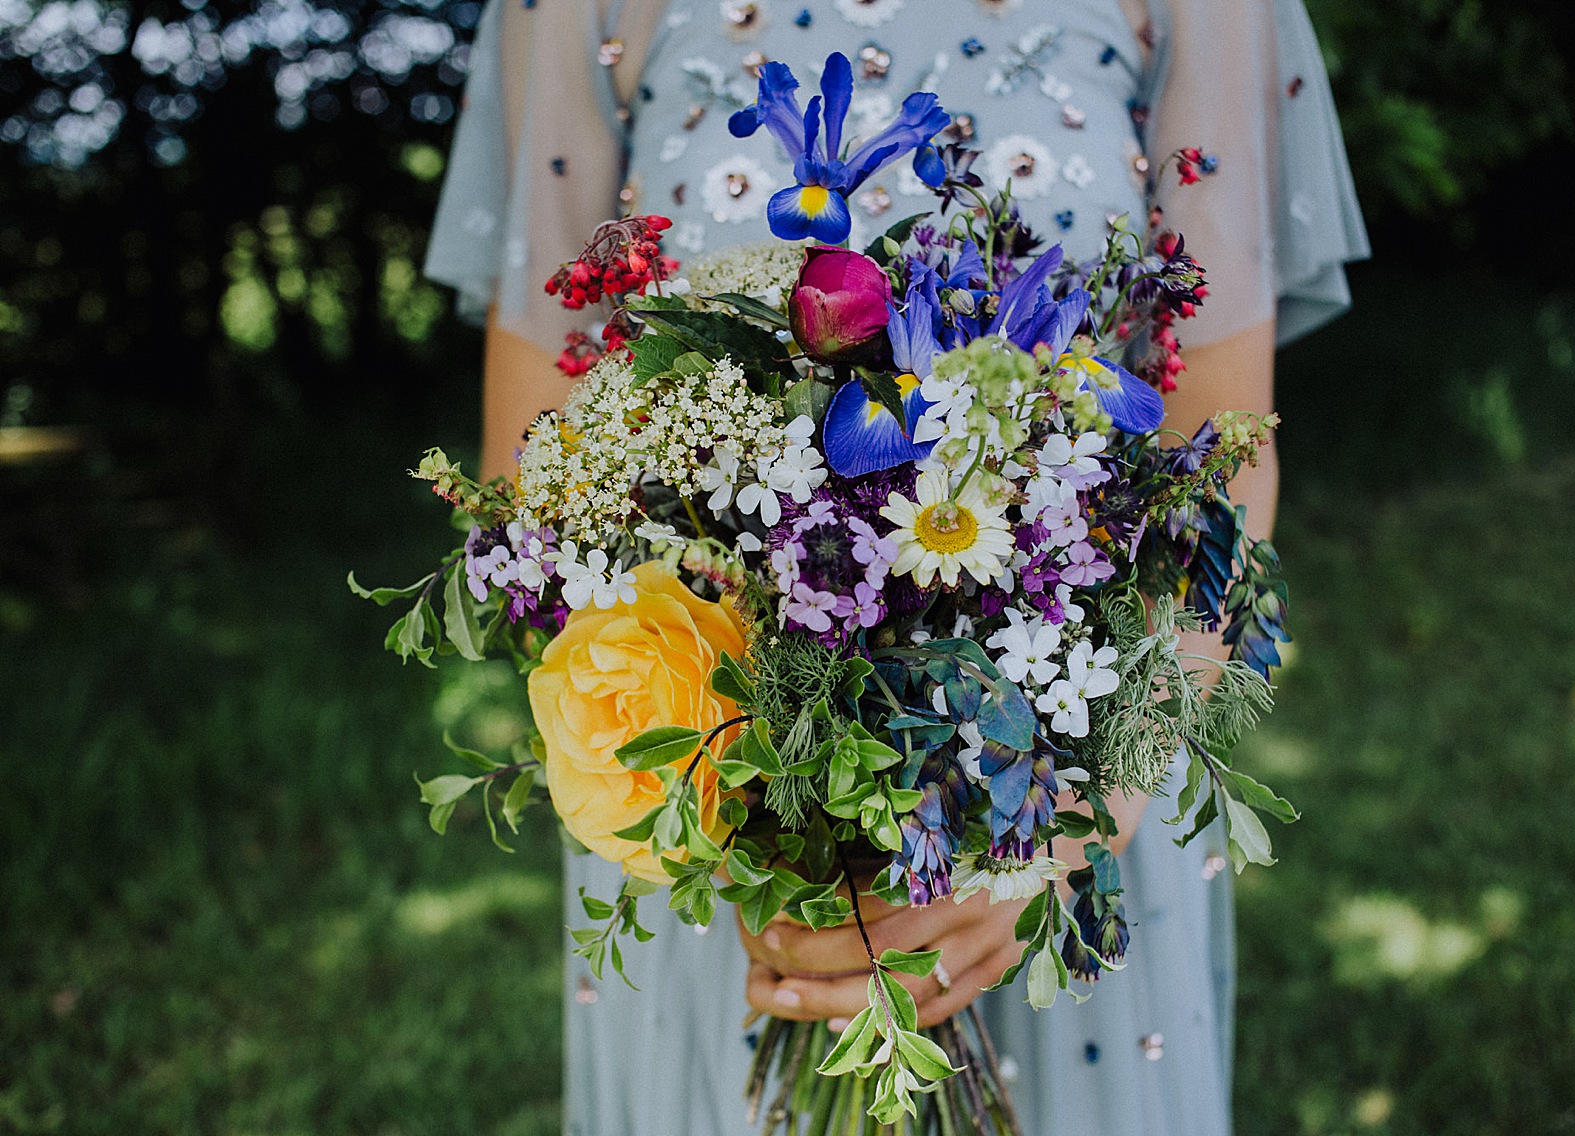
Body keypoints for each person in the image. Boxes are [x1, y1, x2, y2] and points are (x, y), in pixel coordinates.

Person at [424, 2, 1368, 1133]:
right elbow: (533, 471)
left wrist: (1072, 816)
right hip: (716, 827)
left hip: (1060, 806)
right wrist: (761, 844)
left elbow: (1214, 465)